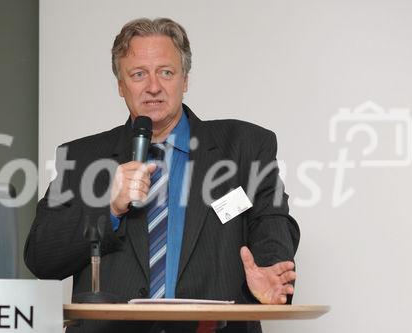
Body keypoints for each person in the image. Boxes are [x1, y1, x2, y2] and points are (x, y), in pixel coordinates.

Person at [24, 17, 300, 333]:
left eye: (166, 72)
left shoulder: (246, 147)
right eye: (138, 74)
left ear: (185, 80)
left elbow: (272, 224)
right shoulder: (80, 158)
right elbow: (41, 259)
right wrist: (108, 209)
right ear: (120, 85)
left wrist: (267, 282)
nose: (153, 86)